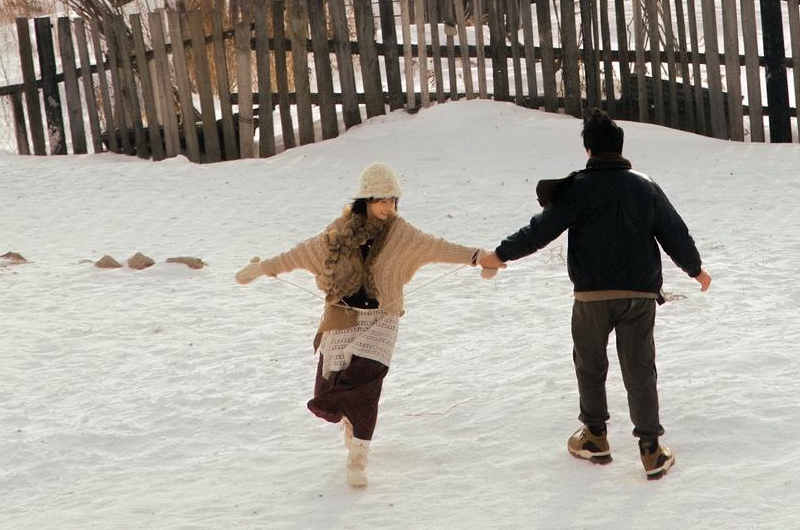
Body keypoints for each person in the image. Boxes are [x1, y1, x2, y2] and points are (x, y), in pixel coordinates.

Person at [235, 161, 503, 487]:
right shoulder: (340, 231)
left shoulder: (401, 234)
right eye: (380, 200)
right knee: (328, 387)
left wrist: (478, 257)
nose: (387, 207)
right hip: (343, 315)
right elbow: (302, 252)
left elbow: (436, 247)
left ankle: (359, 455)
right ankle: (348, 420)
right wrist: (262, 268)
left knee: (366, 383)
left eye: (392, 200)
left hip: (381, 318)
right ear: (365, 199)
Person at [479, 109, 711, 480]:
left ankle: (595, 436)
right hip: (638, 295)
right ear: (620, 148)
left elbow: (539, 231)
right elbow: (674, 232)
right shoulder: (645, 185)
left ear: (588, 149)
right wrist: (695, 269)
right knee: (639, 368)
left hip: (591, 296)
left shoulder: (578, 188)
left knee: (590, 364)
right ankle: (651, 449)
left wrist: (500, 253)